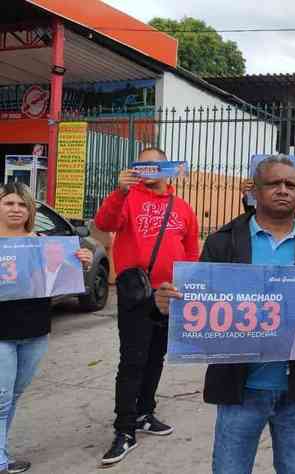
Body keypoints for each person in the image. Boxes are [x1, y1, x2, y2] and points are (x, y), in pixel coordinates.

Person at [153, 155, 295, 474]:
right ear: (256, 191)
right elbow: (194, 305)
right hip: (239, 389)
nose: (283, 190)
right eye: (274, 183)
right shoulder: (223, 243)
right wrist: (169, 305)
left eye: (290, 184)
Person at [95, 147, 200, 465]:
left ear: (167, 169)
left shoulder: (181, 207)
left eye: (157, 165)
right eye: (144, 165)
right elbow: (104, 222)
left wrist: (187, 283)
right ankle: (124, 430)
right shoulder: (127, 197)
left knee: (156, 357)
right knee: (133, 361)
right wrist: (120, 191)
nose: (151, 170)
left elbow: (191, 247)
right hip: (136, 294)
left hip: (169, 295)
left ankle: (145, 412)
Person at [0, 182, 92, 474]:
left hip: (35, 329)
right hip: (1, 332)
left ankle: (1, 450)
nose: (16, 209)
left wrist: (82, 262)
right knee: (1, 398)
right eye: (9, 203)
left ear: (29, 210)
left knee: (14, 394)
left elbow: (61, 276)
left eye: (22, 204)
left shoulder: (43, 242)